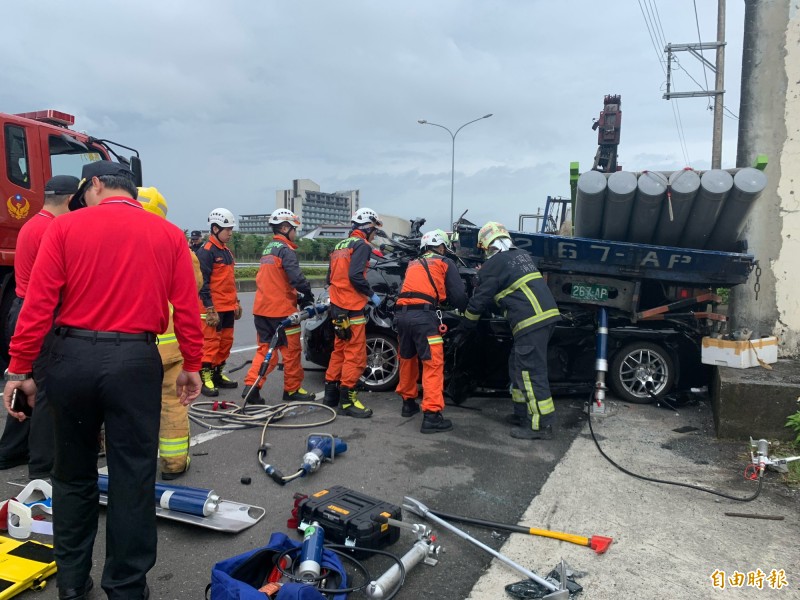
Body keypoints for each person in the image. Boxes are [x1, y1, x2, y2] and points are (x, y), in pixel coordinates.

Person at [2, 160, 203, 600]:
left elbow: (37, 306)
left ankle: (73, 585)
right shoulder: (168, 235)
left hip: (70, 358)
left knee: (72, 476)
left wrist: (20, 369)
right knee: (133, 477)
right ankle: (126, 587)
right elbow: (186, 307)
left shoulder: (65, 228)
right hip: (135, 360)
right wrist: (193, 363)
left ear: (94, 185)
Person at [0, 175, 78, 478]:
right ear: (71, 200)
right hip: (40, 313)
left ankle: (12, 449)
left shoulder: (31, 225)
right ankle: (42, 462)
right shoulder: (53, 229)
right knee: (45, 389)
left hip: (19, 309)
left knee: (27, 383)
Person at [462, 222, 561, 440]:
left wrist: (466, 324)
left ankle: (540, 426)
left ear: (487, 244)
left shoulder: (494, 264)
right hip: (542, 319)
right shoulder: (522, 255)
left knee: (530, 373)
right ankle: (521, 414)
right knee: (517, 366)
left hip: (531, 322)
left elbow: (480, 301)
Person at [138, 187, 204, 481]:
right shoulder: (179, 247)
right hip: (170, 348)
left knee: (126, 405)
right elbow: (195, 287)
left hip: (128, 347)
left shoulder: (113, 241)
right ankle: (174, 462)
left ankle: (118, 457)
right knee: (174, 403)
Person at [395, 229, 467, 433]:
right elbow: (458, 296)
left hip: (401, 315)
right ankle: (432, 416)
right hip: (424, 318)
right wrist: (468, 308)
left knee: (407, 359)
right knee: (433, 364)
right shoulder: (444, 262)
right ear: (442, 246)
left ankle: (408, 403)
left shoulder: (412, 264)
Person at [242, 209, 316, 404]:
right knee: (291, 352)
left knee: (265, 349)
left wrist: (296, 295)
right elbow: (296, 278)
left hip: (262, 310)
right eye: (294, 228)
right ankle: (292, 390)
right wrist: (307, 294)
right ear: (284, 228)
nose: (295, 232)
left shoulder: (268, 249)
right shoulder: (285, 250)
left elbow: (276, 281)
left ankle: (252, 386)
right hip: (281, 312)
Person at [322, 207, 383, 418]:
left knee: (339, 350)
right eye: (374, 229)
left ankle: (330, 394)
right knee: (355, 354)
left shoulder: (339, 245)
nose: (374, 233)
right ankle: (347, 401)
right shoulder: (362, 245)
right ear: (367, 227)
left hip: (337, 306)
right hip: (352, 306)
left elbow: (329, 278)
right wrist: (371, 295)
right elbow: (356, 276)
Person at [196, 208, 241, 397]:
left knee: (226, 342)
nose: (230, 233)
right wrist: (209, 307)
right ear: (215, 228)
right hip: (213, 307)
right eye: (226, 229)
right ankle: (205, 375)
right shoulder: (206, 252)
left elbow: (229, 280)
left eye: (231, 229)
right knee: (210, 343)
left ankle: (218, 373)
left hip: (228, 306)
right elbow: (202, 282)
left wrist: (236, 302)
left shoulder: (226, 251)